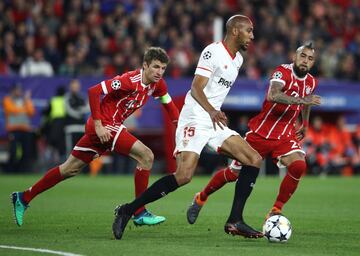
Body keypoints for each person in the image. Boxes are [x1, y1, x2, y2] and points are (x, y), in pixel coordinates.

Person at [112, 15, 264, 240]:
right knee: (184, 176)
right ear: (234, 31)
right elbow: (195, 88)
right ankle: (127, 210)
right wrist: (211, 110)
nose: (252, 36)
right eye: (248, 31)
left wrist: (214, 112)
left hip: (214, 120)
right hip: (195, 116)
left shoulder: (238, 60)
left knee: (254, 159)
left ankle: (235, 220)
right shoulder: (213, 52)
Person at [11, 47, 179, 228]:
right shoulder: (129, 80)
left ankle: (24, 197)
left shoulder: (157, 84)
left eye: (163, 68)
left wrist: (179, 129)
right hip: (103, 125)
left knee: (69, 169)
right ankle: (138, 212)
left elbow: (169, 106)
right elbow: (94, 91)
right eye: (155, 67)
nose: (159, 72)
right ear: (145, 65)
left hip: (109, 127)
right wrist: (99, 125)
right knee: (146, 156)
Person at [186, 42, 321, 226]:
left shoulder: (312, 81)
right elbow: (273, 95)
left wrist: (304, 124)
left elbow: (306, 103)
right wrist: (301, 99)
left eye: (310, 58)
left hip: (285, 135)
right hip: (260, 132)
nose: (305, 61)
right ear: (294, 57)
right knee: (233, 173)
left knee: (298, 166)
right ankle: (201, 197)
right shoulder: (282, 72)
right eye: (303, 56)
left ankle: (275, 210)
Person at [3, 83, 35, 172]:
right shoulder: (7, 100)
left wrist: (27, 100)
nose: (18, 92)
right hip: (13, 129)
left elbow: (31, 112)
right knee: (13, 151)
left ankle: (22, 170)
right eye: (17, 90)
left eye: (19, 90)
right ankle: (10, 170)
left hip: (25, 129)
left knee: (26, 151)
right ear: (12, 91)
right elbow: (12, 110)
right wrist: (24, 107)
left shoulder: (25, 100)